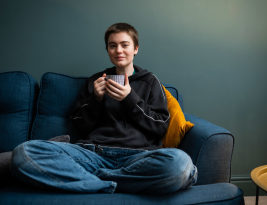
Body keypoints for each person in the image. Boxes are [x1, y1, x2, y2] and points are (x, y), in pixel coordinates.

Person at [11, 23, 197, 194]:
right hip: (93, 154)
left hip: (138, 157)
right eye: (112, 45)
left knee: (179, 164)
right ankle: (108, 183)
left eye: (125, 45)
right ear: (108, 50)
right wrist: (96, 99)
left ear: (136, 49)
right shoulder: (96, 80)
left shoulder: (150, 82)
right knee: (24, 153)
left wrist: (129, 99)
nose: (119, 50)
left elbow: (160, 126)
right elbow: (79, 125)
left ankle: (94, 180)